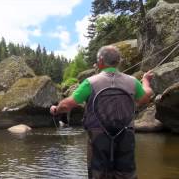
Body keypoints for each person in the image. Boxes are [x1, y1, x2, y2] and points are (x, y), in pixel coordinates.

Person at [50, 46, 153, 179]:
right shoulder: (133, 82)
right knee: (127, 174)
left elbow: (67, 105)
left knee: (98, 174)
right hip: (126, 137)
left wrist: (56, 109)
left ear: (100, 61)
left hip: (99, 139)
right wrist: (145, 81)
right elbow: (145, 97)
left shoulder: (90, 82)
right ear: (119, 61)